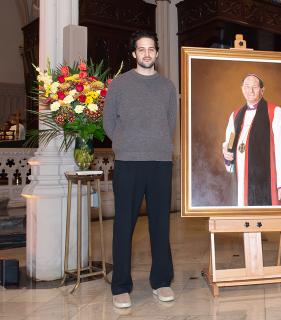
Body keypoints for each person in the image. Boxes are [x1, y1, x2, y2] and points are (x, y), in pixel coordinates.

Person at [103, 30, 178, 308]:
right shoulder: (120, 85)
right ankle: (120, 286)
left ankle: (161, 281)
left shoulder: (168, 87)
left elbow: (171, 123)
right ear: (134, 54)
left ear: (157, 53)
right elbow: (108, 122)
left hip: (160, 162)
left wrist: (156, 143)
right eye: (141, 49)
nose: (147, 54)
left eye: (151, 49)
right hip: (128, 163)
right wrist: (125, 143)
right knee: (124, 225)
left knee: (161, 225)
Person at [222, 74, 281, 206]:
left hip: (268, 181)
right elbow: (230, 140)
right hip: (242, 180)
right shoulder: (235, 115)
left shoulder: (276, 113)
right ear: (242, 89)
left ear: (262, 90)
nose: (250, 91)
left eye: (254, 87)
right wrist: (227, 154)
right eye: (247, 86)